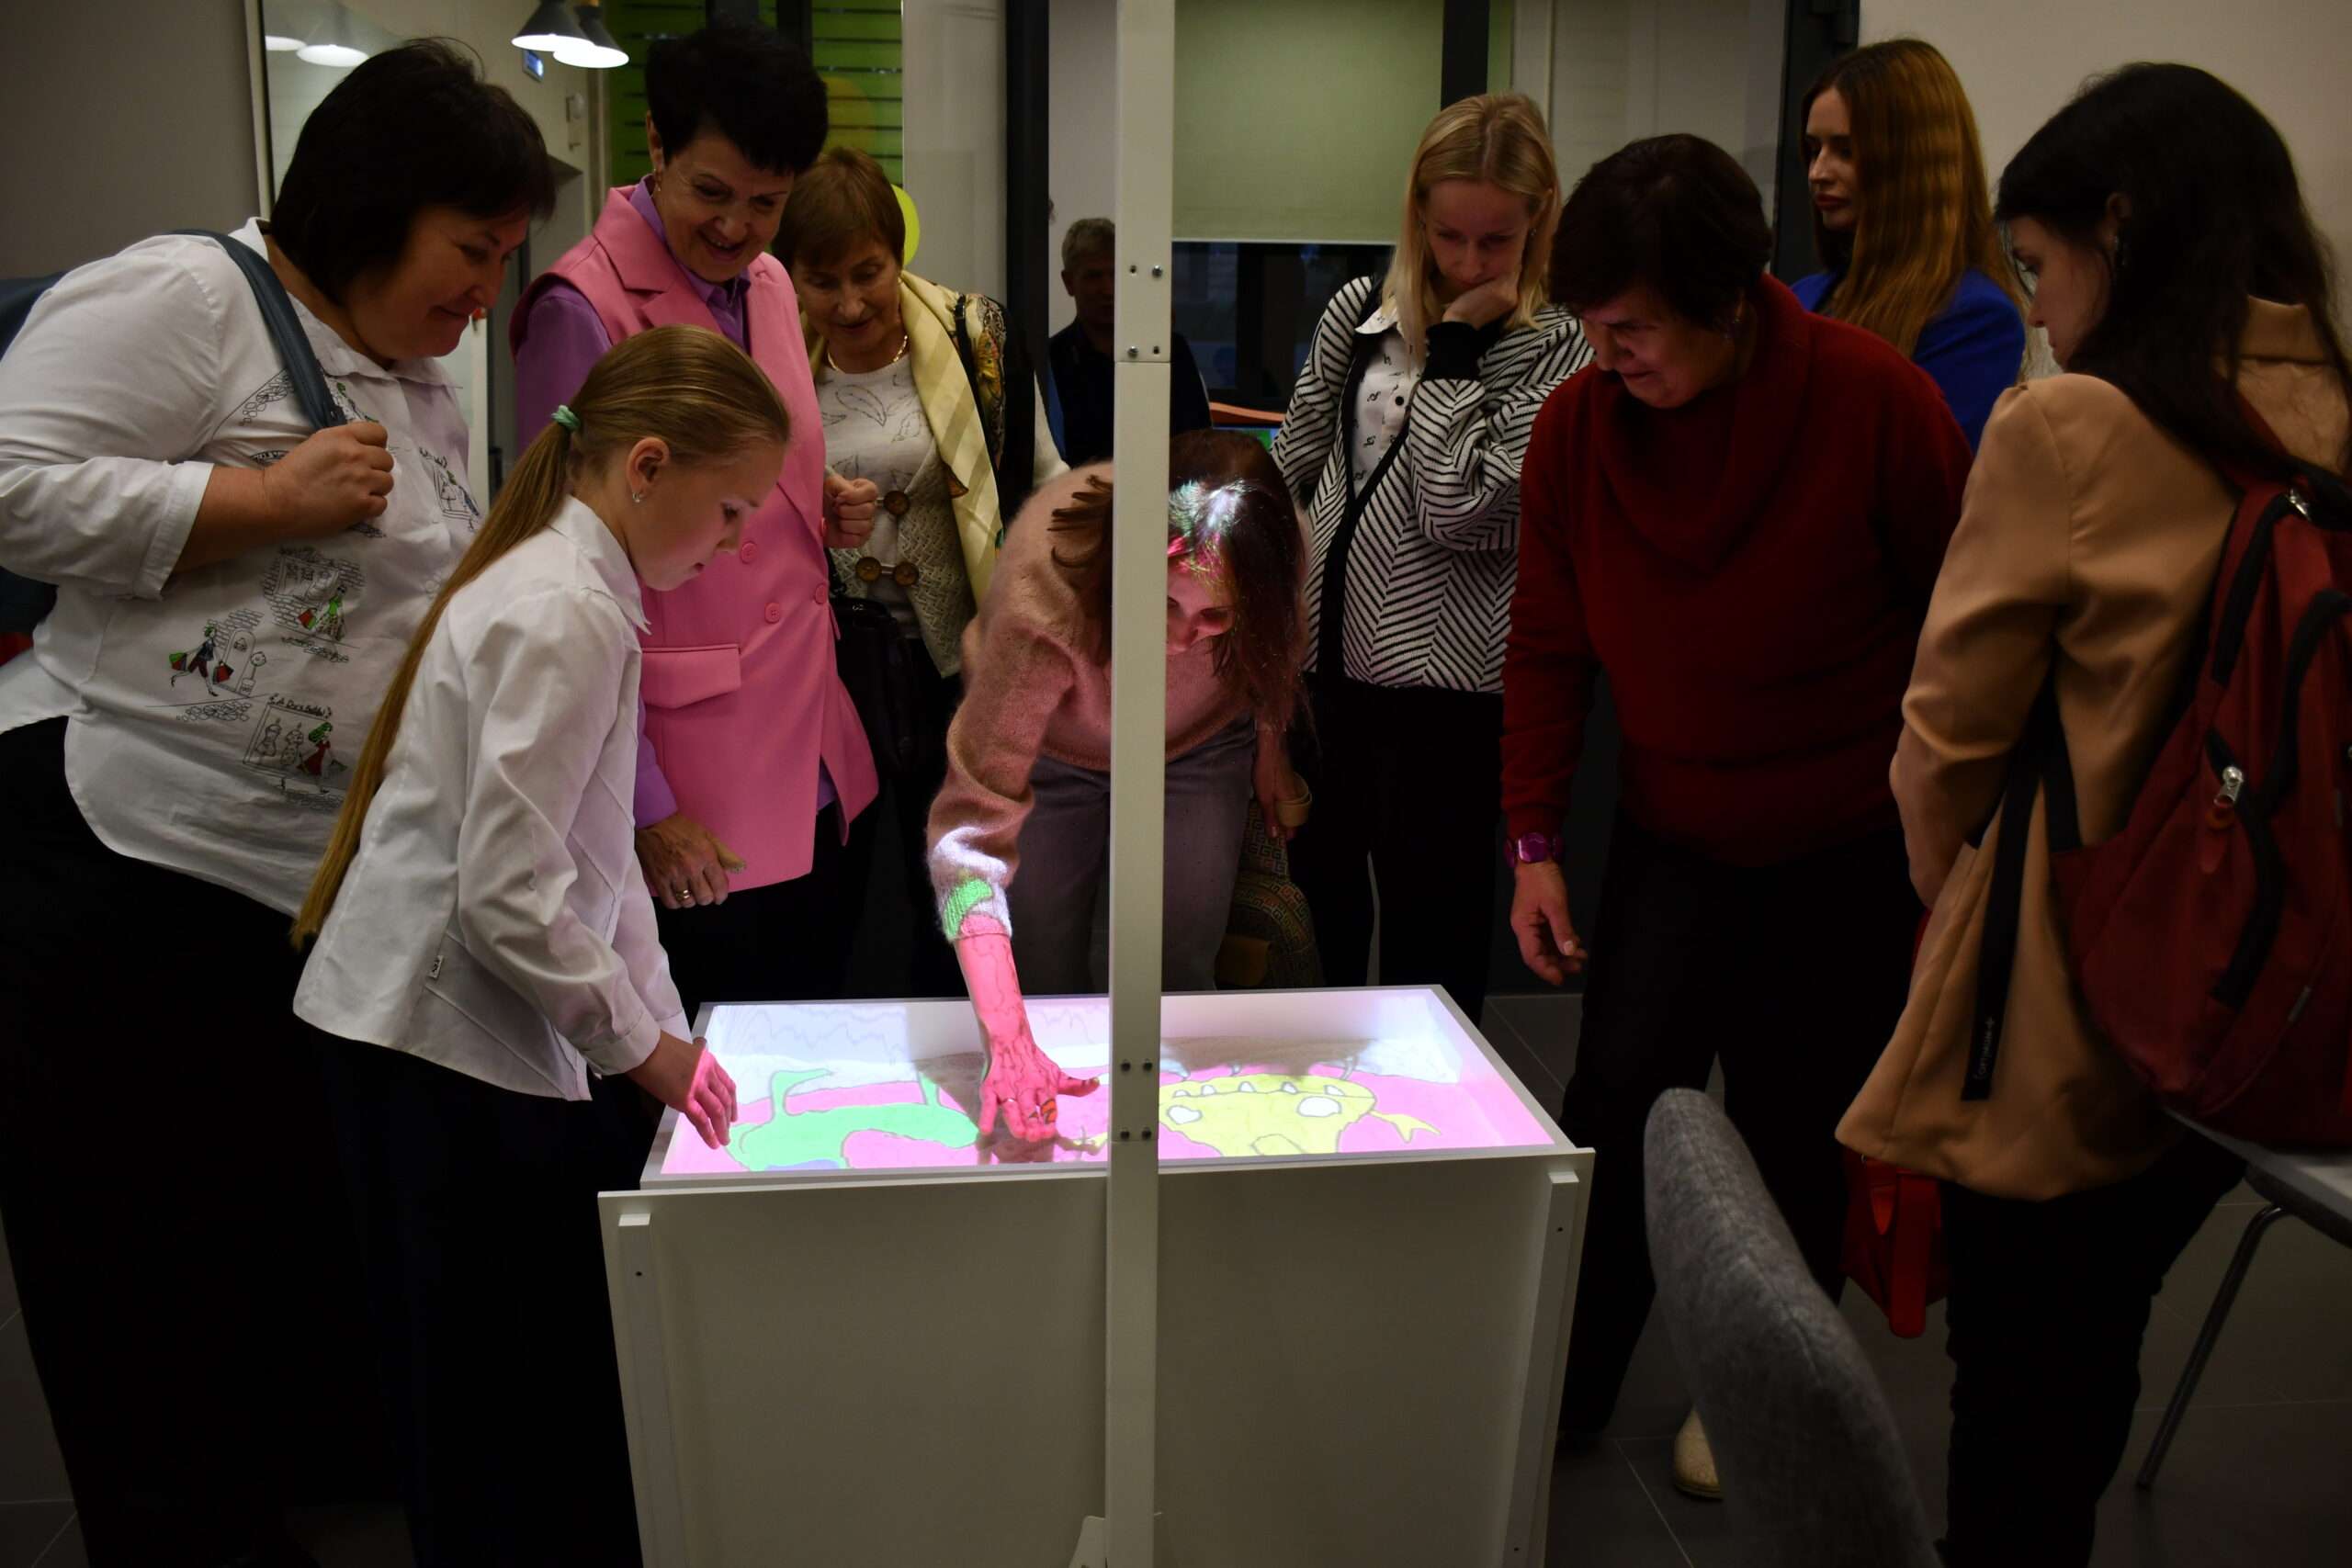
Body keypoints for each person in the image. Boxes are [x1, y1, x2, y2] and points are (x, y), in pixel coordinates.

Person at [0, 41, 550, 1565]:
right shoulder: (187, 296)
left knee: (257, 1242)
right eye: (472, 249)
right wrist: (260, 499)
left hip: (277, 890)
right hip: (118, 860)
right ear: (375, 205)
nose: (486, 291)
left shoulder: (417, 378)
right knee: (139, 1268)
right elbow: (9, 479)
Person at [1838, 65, 2351, 1564]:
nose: (2042, 316)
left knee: (2019, 1390)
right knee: (2104, 1329)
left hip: (2074, 992)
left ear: (2119, 230)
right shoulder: (2332, 409)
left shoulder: (2070, 428)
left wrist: (1961, 910)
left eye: (2039, 267)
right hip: (2282, 976)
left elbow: (1941, 748)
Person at [1503, 133, 1973, 1499]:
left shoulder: (1874, 402)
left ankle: (1759, 1400)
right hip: (1671, 829)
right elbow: (1546, 646)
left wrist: (1952, 847)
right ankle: (1567, 1377)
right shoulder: (1579, 427)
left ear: (1727, 304)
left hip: (1842, 842)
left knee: (1799, 1116)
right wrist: (1533, 838)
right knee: (1616, 1095)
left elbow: (1962, 633)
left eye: (1633, 330)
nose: (1606, 357)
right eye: (1590, 328)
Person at [295, 324, 773, 1565]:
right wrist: (643, 1050)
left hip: (443, 1030)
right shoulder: (564, 609)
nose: (731, 545)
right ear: (648, 466)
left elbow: (594, 867)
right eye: (729, 512)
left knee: (503, 1385)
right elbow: (511, 893)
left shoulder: (578, 590)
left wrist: (658, 1031)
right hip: (426, 1042)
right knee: (480, 1399)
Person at [512, 23, 879, 1017]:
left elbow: (739, 470)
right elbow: (561, 575)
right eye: (712, 192)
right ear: (657, 144)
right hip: (689, 766)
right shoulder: (582, 307)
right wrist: (643, 804)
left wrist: (812, 501)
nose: (737, 227)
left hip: (810, 736)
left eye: (767, 203)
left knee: (812, 1026)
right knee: (715, 1042)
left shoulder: (769, 283)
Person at [1275, 92, 1588, 1027]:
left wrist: (1454, 348)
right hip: (1323, 677)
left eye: (1496, 240)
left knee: (1433, 941)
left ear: (1539, 217)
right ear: (1417, 214)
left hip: (1447, 696)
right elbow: (1292, 462)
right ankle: (1314, 1090)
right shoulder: (1359, 311)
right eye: (1448, 235)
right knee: (1316, 923)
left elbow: (1464, 509)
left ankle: (1435, 1109)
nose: (1469, 262)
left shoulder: (1559, 343)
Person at [927, 431, 1306, 1140]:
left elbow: (1276, 652)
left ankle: (1168, 1137)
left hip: (1201, 741)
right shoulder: (1047, 583)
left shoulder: (1274, 553)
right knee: (1039, 962)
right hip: (1050, 743)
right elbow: (969, 836)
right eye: (1162, 602)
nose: (1180, 639)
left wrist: (1269, 744)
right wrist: (1005, 1028)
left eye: (1215, 616)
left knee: (1177, 957)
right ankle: (1046, 1112)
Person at [779, 146, 1068, 998]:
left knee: (952, 876)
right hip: (827, 670)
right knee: (837, 893)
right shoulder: (770, 357)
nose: (848, 302)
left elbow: (1043, 480)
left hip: (959, 664)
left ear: (897, 252)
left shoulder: (979, 338)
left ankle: (962, 1029)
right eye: (821, 280)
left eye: (867, 272)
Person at [1795, 38, 2027, 447]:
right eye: (1814, 150)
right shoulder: (1800, 297)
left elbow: (1923, 472)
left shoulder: (1974, 317)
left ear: (1911, 160)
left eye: (1846, 151)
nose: (1818, 172)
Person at [1045, 216, 1214, 465]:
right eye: (1093, 276)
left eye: (1116, 274)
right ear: (1069, 282)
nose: (1108, 289)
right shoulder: (1051, 359)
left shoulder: (1170, 350)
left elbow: (1199, 443)